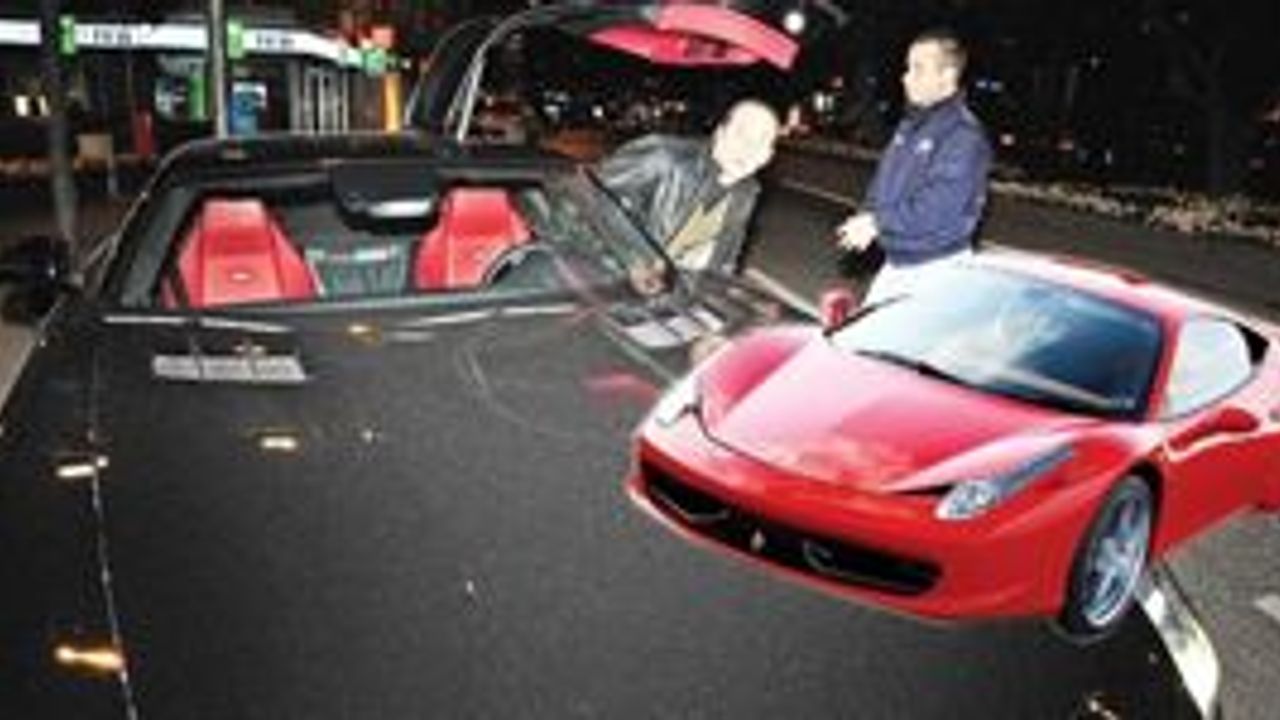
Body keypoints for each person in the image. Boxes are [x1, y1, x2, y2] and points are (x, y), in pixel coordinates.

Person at [836, 28, 992, 305]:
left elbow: (939, 205)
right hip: (899, 263)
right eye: (908, 68)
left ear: (947, 76)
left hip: (936, 269)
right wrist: (866, 216)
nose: (906, 77)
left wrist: (878, 222)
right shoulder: (911, 125)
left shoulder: (963, 135)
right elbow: (883, 182)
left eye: (918, 69)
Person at [596, 99, 780, 278]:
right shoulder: (664, 157)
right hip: (608, 280)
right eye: (741, 133)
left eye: (761, 141)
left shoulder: (746, 193)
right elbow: (589, 196)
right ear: (720, 133)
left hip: (668, 291)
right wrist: (630, 261)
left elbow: (724, 263)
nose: (747, 149)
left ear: (767, 156)